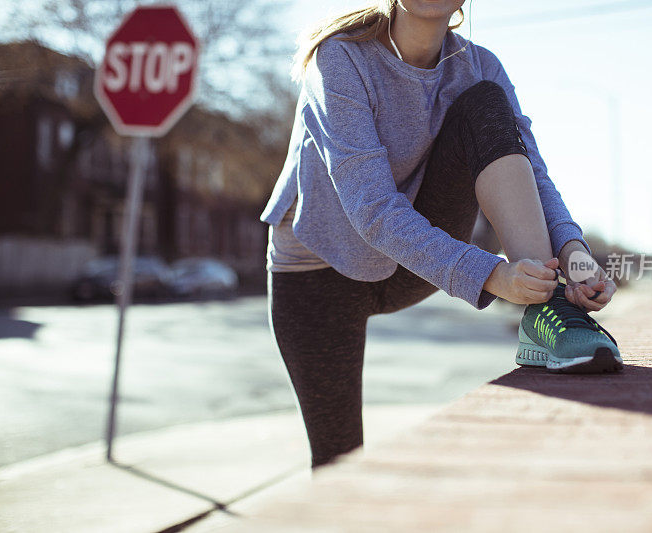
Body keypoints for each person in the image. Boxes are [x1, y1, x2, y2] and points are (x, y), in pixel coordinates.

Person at [260, 0, 621, 468]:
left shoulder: (478, 66)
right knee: (338, 462)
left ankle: (547, 311)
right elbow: (371, 210)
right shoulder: (341, 57)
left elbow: (532, 171)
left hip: (411, 260)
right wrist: (492, 275)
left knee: (485, 102)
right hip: (317, 273)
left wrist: (573, 253)